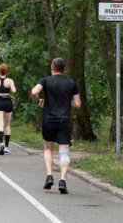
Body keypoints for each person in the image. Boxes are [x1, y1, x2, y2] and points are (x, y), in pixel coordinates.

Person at [31, 57, 81, 194]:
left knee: (48, 148)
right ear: (63, 68)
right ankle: (63, 180)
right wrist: (67, 102)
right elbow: (77, 104)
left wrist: (38, 101)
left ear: (52, 67)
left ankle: (49, 176)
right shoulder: (71, 83)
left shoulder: (45, 81)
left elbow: (34, 92)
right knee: (64, 151)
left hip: (49, 120)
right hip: (64, 120)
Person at [0, 64, 17, 155]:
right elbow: (14, 90)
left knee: (0, 124)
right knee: (7, 124)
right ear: (6, 71)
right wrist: (10, 87)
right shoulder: (10, 80)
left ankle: (1, 142)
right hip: (8, 102)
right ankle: (6, 146)